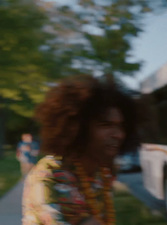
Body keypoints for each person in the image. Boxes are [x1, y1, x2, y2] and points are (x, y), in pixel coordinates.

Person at [22, 75, 138, 225]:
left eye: (121, 126)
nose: (119, 134)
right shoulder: (49, 174)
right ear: (78, 129)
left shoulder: (101, 174)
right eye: (105, 125)